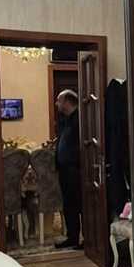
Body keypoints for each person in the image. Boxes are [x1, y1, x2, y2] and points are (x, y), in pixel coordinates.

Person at [54, 89, 83, 249]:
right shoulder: (65, 120)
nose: (56, 103)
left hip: (76, 170)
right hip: (65, 170)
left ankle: (88, 240)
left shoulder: (80, 118)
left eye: (59, 100)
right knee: (69, 205)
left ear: (67, 102)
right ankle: (72, 237)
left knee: (80, 205)